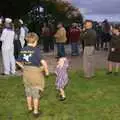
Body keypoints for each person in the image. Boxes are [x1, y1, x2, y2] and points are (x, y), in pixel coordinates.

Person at [16, 32, 49, 117]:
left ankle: (30, 108)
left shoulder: (23, 49)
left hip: (26, 73)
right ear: (35, 41)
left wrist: (23, 67)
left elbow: (17, 61)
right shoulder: (36, 50)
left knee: (28, 91)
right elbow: (43, 62)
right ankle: (35, 111)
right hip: (35, 74)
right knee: (35, 93)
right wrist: (46, 71)